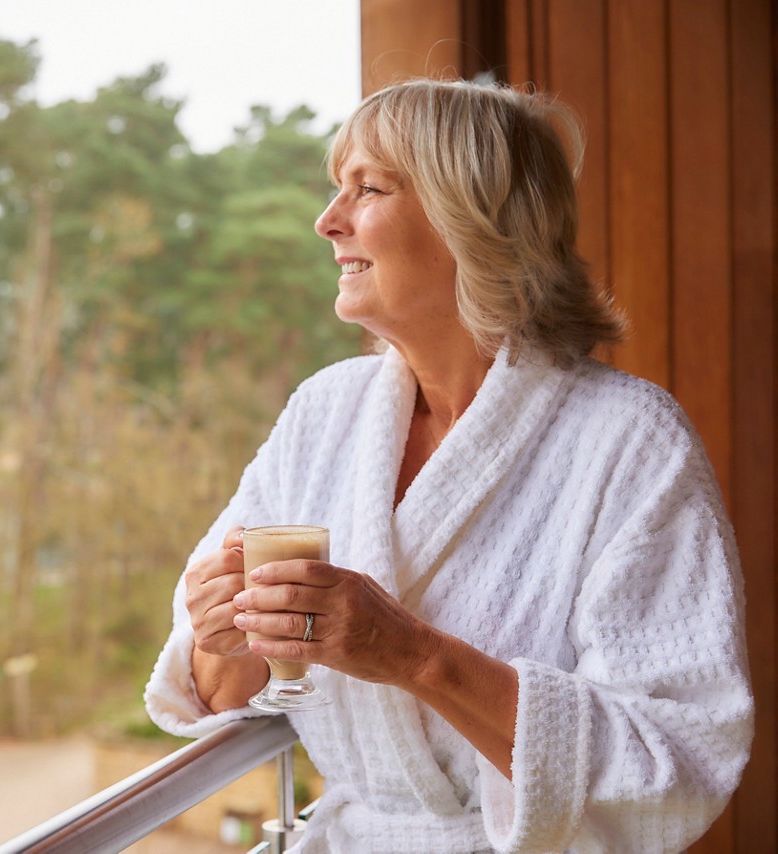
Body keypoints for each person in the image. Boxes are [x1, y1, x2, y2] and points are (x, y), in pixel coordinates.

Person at [144, 79, 753, 853]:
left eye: (367, 188)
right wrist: (217, 631)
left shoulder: (630, 441)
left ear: (473, 219)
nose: (328, 222)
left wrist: (411, 654)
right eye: (338, 191)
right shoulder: (325, 413)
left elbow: (678, 756)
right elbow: (229, 687)